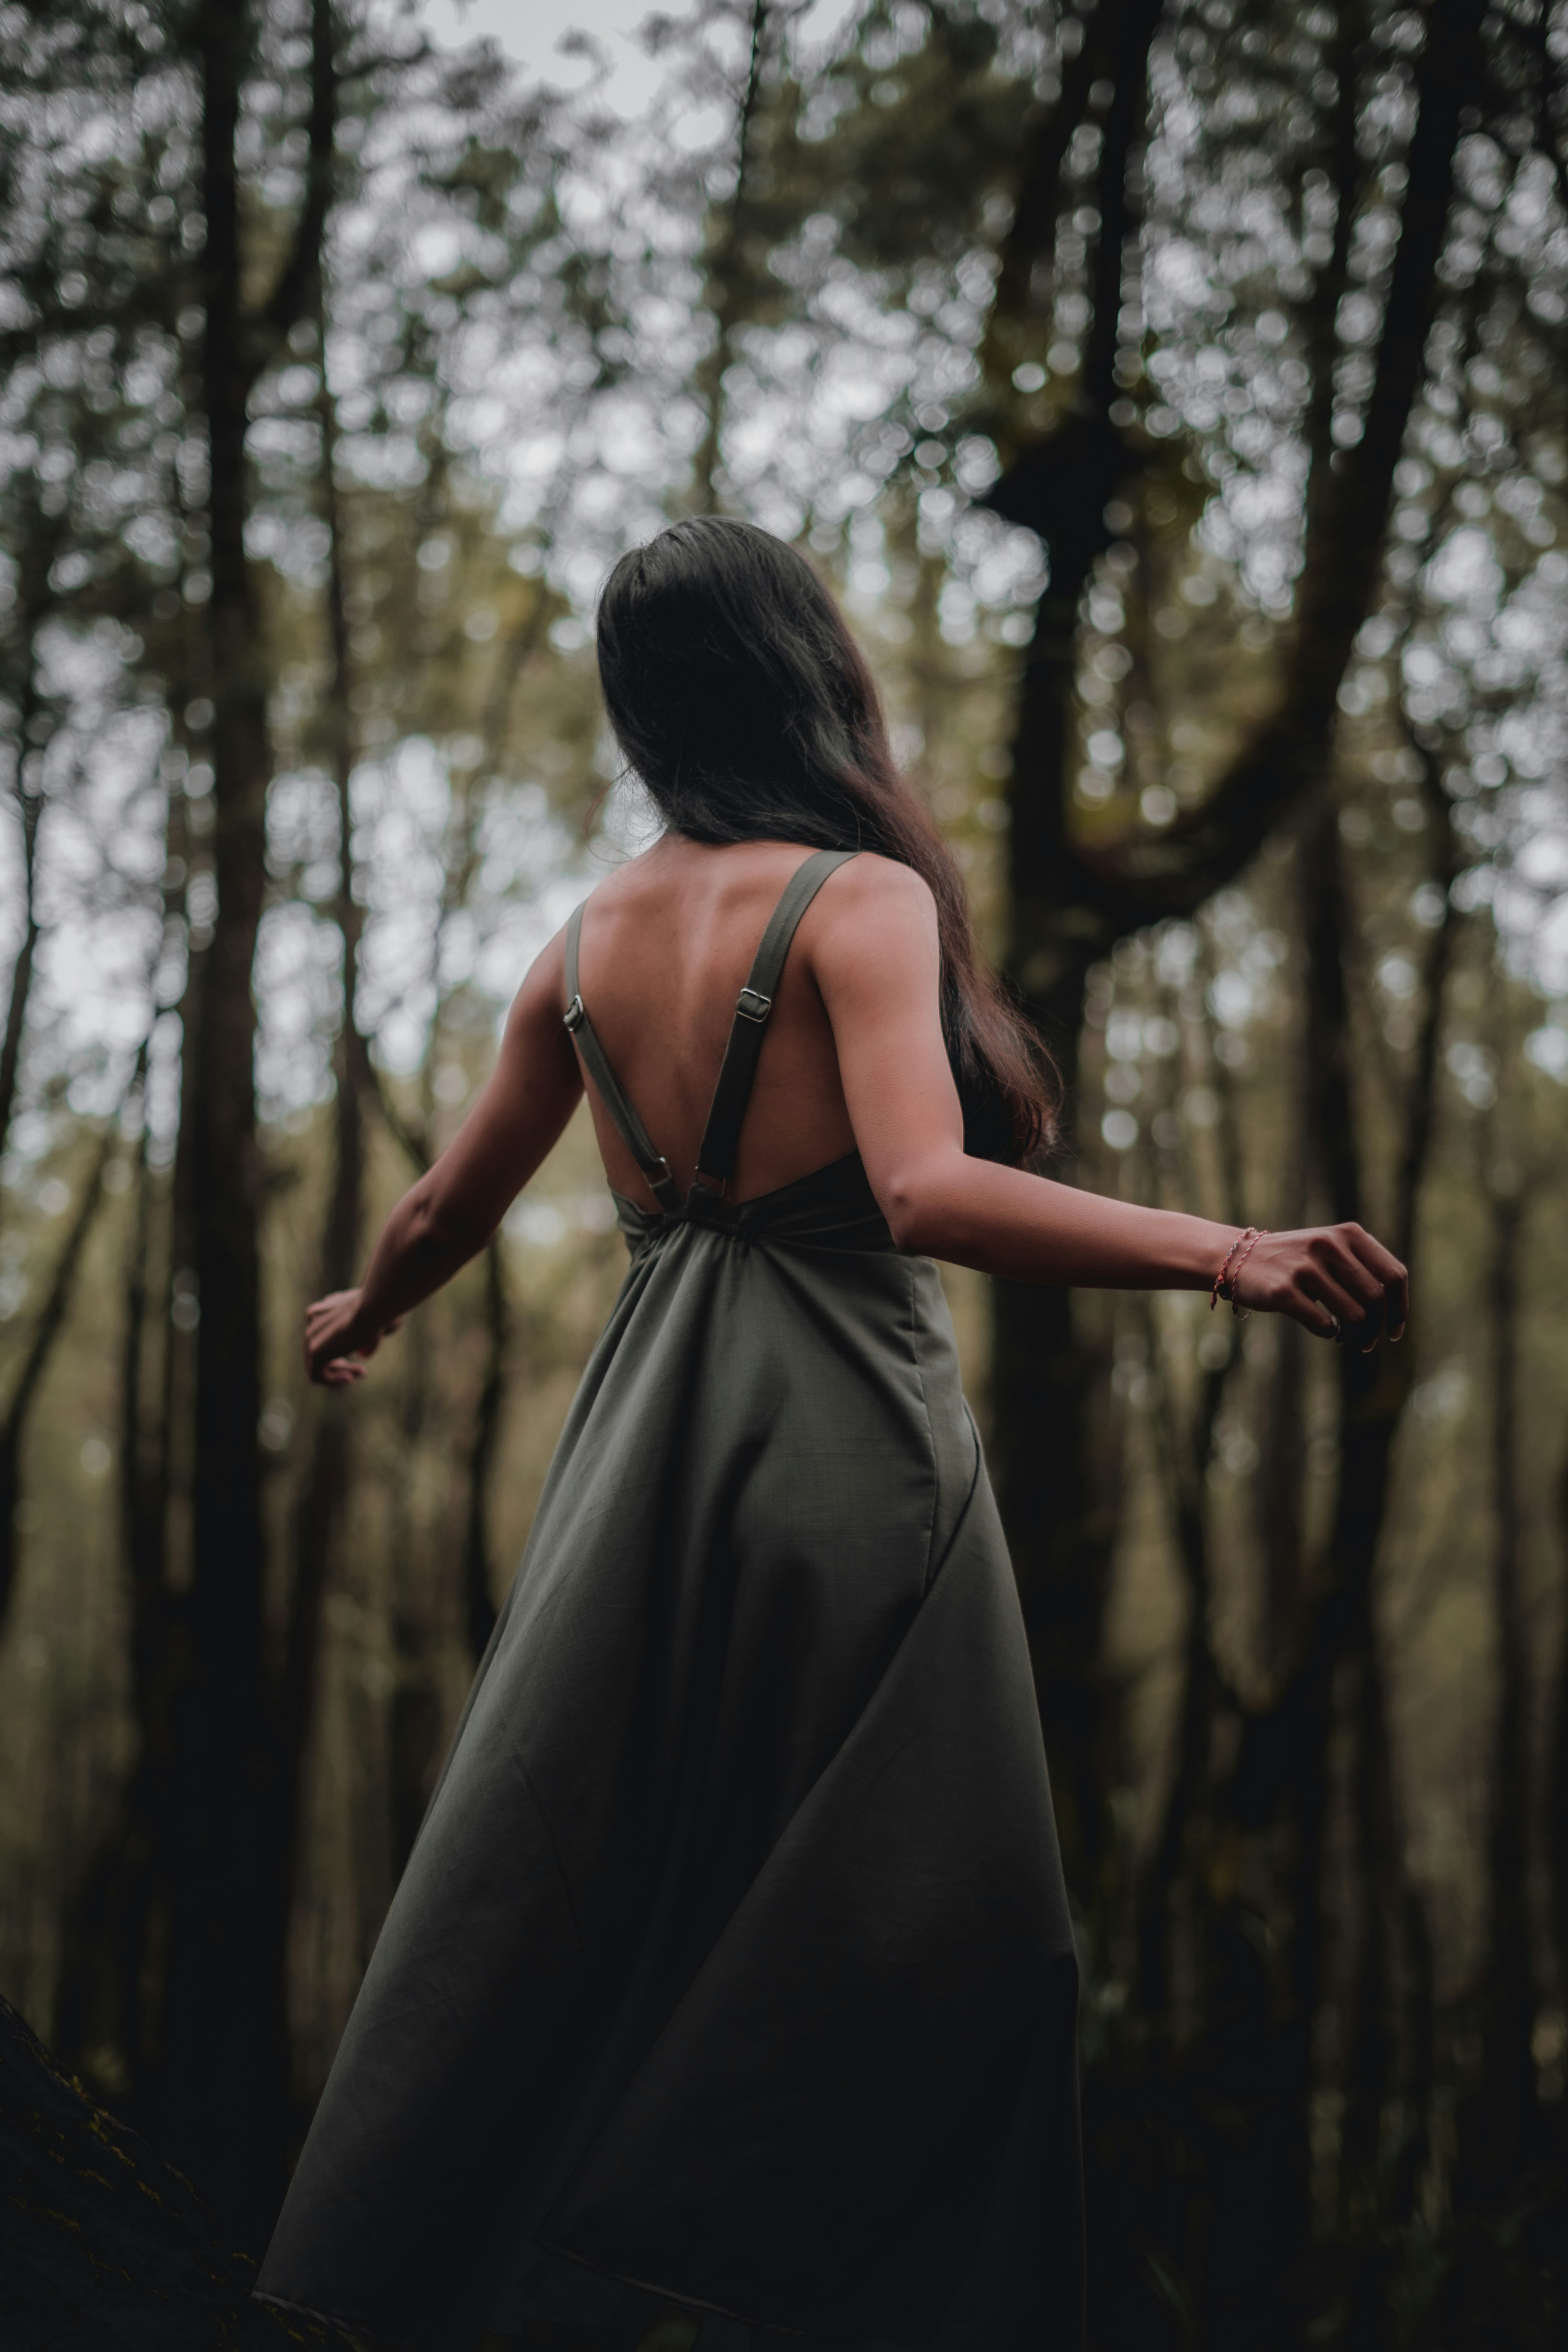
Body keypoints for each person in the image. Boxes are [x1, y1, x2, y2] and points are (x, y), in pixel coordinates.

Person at [255, 517, 1408, 2352]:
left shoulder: (578, 945)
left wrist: (366, 1312)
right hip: (846, 1451)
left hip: (642, 1459)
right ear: (808, 671)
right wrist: (1232, 1254)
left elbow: (441, 1208)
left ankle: (527, 2290)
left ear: (648, 706)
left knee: (597, 1889)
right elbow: (924, 1190)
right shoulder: (861, 899)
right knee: (936, 1916)